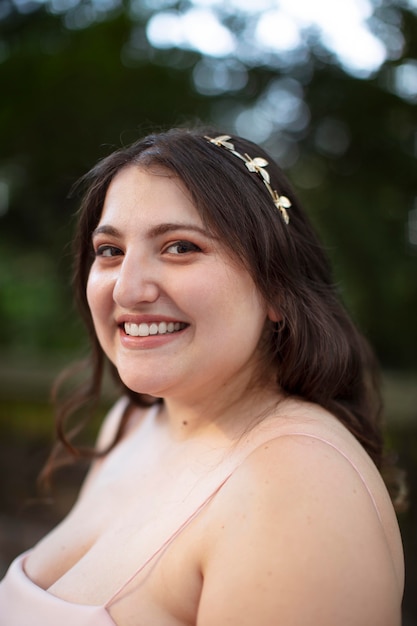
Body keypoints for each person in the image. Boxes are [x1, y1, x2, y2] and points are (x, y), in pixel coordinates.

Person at [0, 127, 404, 625]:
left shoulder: (298, 490)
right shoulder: (132, 422)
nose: (128, 289)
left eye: (180, 247)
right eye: (110, 251)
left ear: (277, 287)